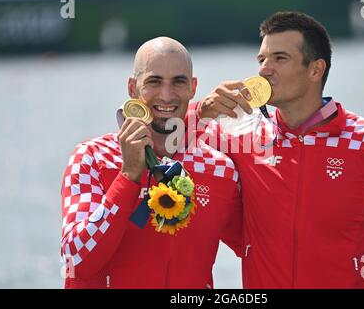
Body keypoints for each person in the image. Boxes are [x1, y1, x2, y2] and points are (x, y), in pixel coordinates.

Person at [197, 11, 364, 288]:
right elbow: (164, 146)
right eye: (262, 59)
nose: (264, 70)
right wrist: (201, 113)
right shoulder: (238, 140)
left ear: (316, 69)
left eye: (280, 58)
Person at [60, 37, 242, 288]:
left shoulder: (220, 170)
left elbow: (261, 248)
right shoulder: (92, 157)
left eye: (178, 81)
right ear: (133, 88)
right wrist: (128, 177)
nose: (166, 96)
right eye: (154, 82)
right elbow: (76, 260)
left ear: (193, 87)